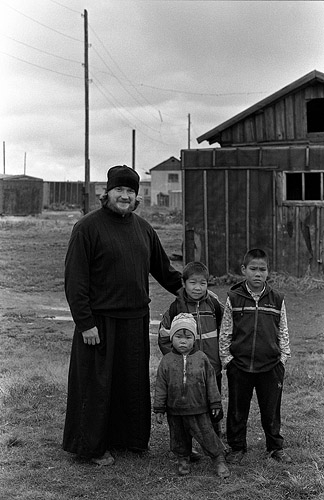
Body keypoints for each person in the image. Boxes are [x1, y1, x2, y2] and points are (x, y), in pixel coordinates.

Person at [62, 164, 182, 466]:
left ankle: (128, 440)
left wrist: (192, 291)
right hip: (99, 323)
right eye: (120, 190)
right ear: (107, 193)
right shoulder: (87, 228)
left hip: (135, 319)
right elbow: (75, 281)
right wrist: (85, 323)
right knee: (97, 385)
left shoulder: (143, 228)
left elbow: (164, 271)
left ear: (137, 196)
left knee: (130, 382)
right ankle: (91, 447)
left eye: (131, 191)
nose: (125, 196)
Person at [219, 248, 292, 465]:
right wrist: (227, 360)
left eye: (262, 269)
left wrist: (283, 359)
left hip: (270, 366)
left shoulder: (277, 299)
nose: (258, 274)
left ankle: (275, 447)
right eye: (253, 269)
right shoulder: (234, 297)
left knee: (271, 410)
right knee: (237, 409)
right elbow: (226, 331)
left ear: (268, 272)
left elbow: (283, 331)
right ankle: (237, 446)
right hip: (240, 366)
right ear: (244, 270)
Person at [153, 313, 230, 478]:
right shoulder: (166, 361)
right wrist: (159, 408)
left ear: (194, 339)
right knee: (179, 436)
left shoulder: (202, 359)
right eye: (178, 336)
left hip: (198, 408)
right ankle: (183, 458)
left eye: (188, 337)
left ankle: (218, 458)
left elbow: (211, 383)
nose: (183, 341)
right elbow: (160, 386)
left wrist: (215, 404)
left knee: (206, 434)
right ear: (172, 338)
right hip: (175, 409)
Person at [158, 261, 224, 436]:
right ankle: (187, 442)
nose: (198, 288)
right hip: (186, 371)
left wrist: (224, 357)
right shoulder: (175, 308)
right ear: (183, 283)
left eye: (202, 283)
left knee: (213, 402)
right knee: (187, 404)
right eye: (193, 283)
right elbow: (164, 336)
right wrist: (177, 360)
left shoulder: (215, 306)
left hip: (212, 368)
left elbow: (227, 330)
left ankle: (215, 436)